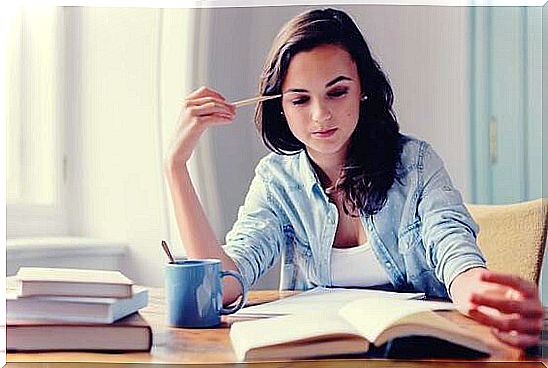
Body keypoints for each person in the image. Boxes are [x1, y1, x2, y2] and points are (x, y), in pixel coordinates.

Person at [165, 8, 542, 348]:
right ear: (280, 105)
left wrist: (483, 294)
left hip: (416, 357)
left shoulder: (417, 163)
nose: (320, 116)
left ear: (363, 90)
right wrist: (176, 168)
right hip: (320, 357)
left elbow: (455, 255)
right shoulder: (276, 181)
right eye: (300, 100)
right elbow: (223, 285)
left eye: (337, 92)